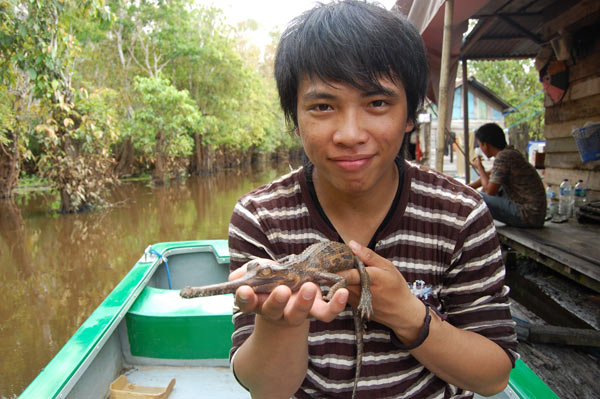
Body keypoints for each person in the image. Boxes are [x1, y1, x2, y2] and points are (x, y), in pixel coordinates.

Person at [227, 2, 518, 398]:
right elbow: (268, 389)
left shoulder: (460, 213)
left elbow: (493, 377)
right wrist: (281, 321)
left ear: (410, 114)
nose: (350, 134)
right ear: (295, 120)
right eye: (323, 106)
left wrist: (405, 311)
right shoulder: (260, 216)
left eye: (377, 103)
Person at [468, 123, 546, 228]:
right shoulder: (510, 153)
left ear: (485, 145)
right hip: (536, 215)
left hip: (528, 215)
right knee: (485, 191)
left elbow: (489, 191)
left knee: (476, 198)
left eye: (480, 145)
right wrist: (464, 188)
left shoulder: (503, 157)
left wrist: (480, 167)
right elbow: (489, 176)